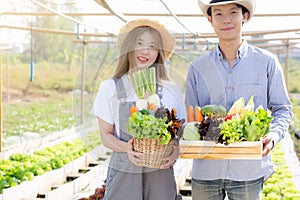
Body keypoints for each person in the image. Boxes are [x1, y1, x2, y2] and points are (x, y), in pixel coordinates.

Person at [185, 0, 293, 199]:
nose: (226, 19)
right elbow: (190, 116)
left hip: (248, 169)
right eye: (218, 14)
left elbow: (283, 109)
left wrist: (274, 136)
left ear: (244, 16)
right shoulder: (197, 68)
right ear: (210, 19)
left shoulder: (266, 62)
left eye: (233, 12)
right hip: (206, 168)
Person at [93, 18, 186, 200]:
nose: (145, 51)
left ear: (158, 53)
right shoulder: (110, 87)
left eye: (152, 46)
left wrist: (175, 152)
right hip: (123, 171)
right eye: (139, 43)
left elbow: (178, 135)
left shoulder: (170, 90)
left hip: (160, 173)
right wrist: (127, 148)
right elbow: (105, 135)